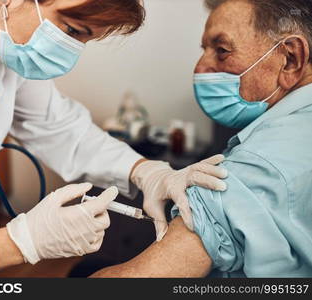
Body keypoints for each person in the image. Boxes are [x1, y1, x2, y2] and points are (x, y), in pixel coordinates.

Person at [0, 0, 227, 277]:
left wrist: (145, 171)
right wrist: (21, 242)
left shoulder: (6, 46)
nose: (69, 54)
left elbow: (60, 127)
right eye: (71, 30)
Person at [91, 0, 312, 278]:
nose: (200, 67)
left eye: (221, 51)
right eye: (204, 51)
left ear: (290, 59)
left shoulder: (256, 168)